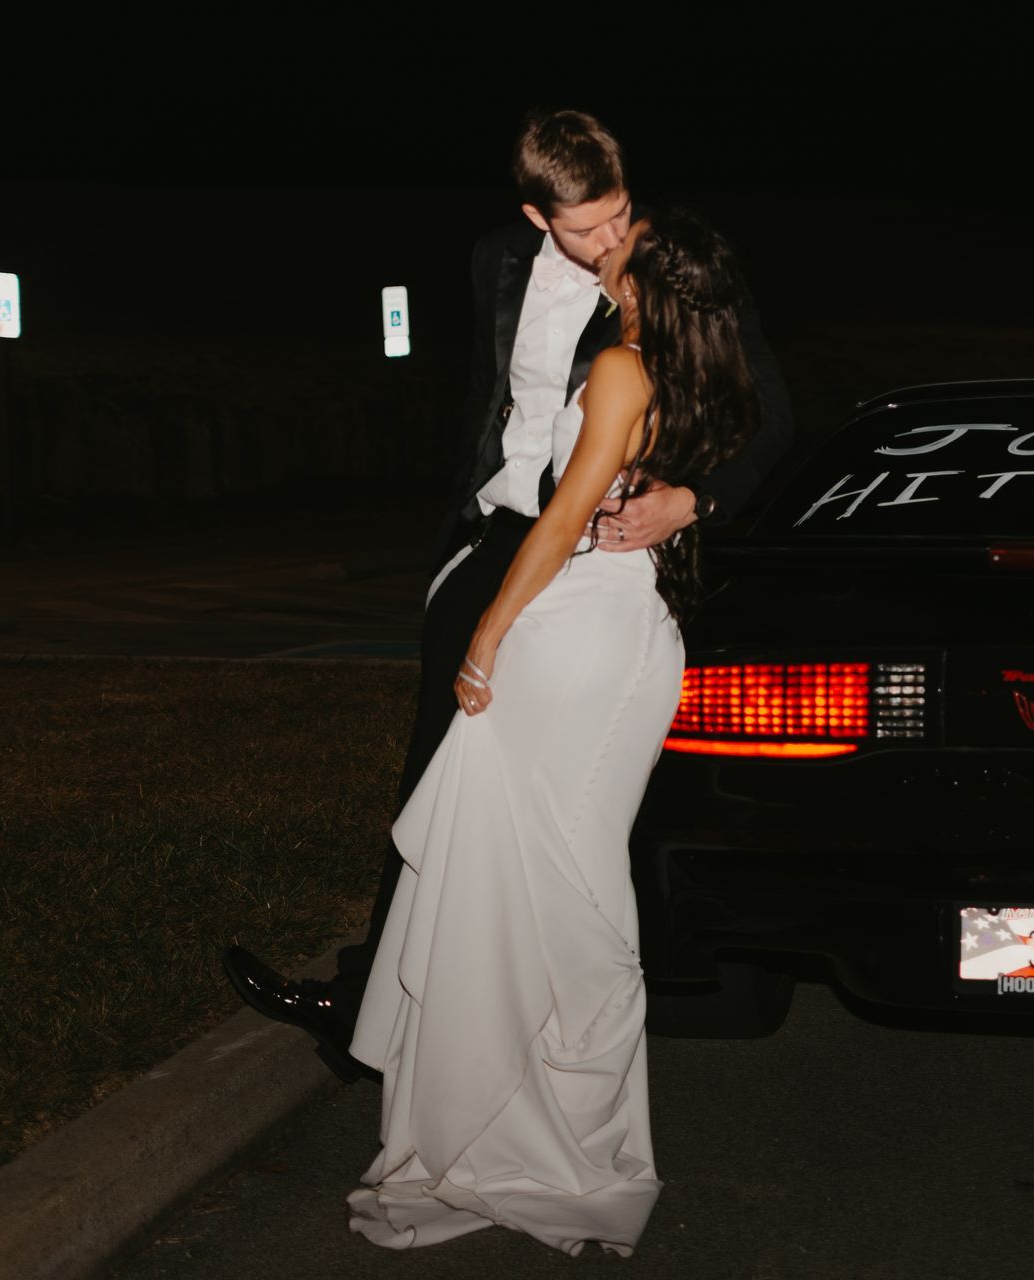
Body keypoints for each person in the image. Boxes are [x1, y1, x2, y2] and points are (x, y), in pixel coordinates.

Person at [221, 109, 793, 1081]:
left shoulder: (663, 265)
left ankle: (519, 1012)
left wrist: (693, 500)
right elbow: (490, 399)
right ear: (535, 216)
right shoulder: (495, 261)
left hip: (591, 554)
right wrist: (461, 526)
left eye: (619, 213)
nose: (611, 240)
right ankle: (377, 1014)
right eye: (586, 227)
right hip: (493, 538)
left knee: (548, 799)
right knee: (437, 781)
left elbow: (773, 412)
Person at [345, 207, 753, 1254]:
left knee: (547, 877)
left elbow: (565, 515)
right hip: (629, 628)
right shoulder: (694, 368)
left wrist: (486, 632)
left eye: (625, 242)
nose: (609, 245)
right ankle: (552, 1123)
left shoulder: (620, 366)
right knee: (557, 872)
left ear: (642, 282)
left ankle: (552, 1130)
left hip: (579, 632)